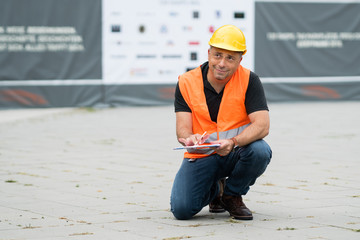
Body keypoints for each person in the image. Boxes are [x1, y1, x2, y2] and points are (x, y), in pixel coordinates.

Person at [170, 25, 272, 220]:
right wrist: (188, 138)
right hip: (202, 155)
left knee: (260, 151)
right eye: (217, 55)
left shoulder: (249, 80)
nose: (222, 63)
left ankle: (232, 194)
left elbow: (262, 125)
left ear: (240, 60)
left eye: (230, 58)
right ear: (208, 53)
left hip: (236, 151)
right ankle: (215, 190)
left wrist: (233, 142)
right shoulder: (186, 82)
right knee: (182, 210)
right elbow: (182, 129)